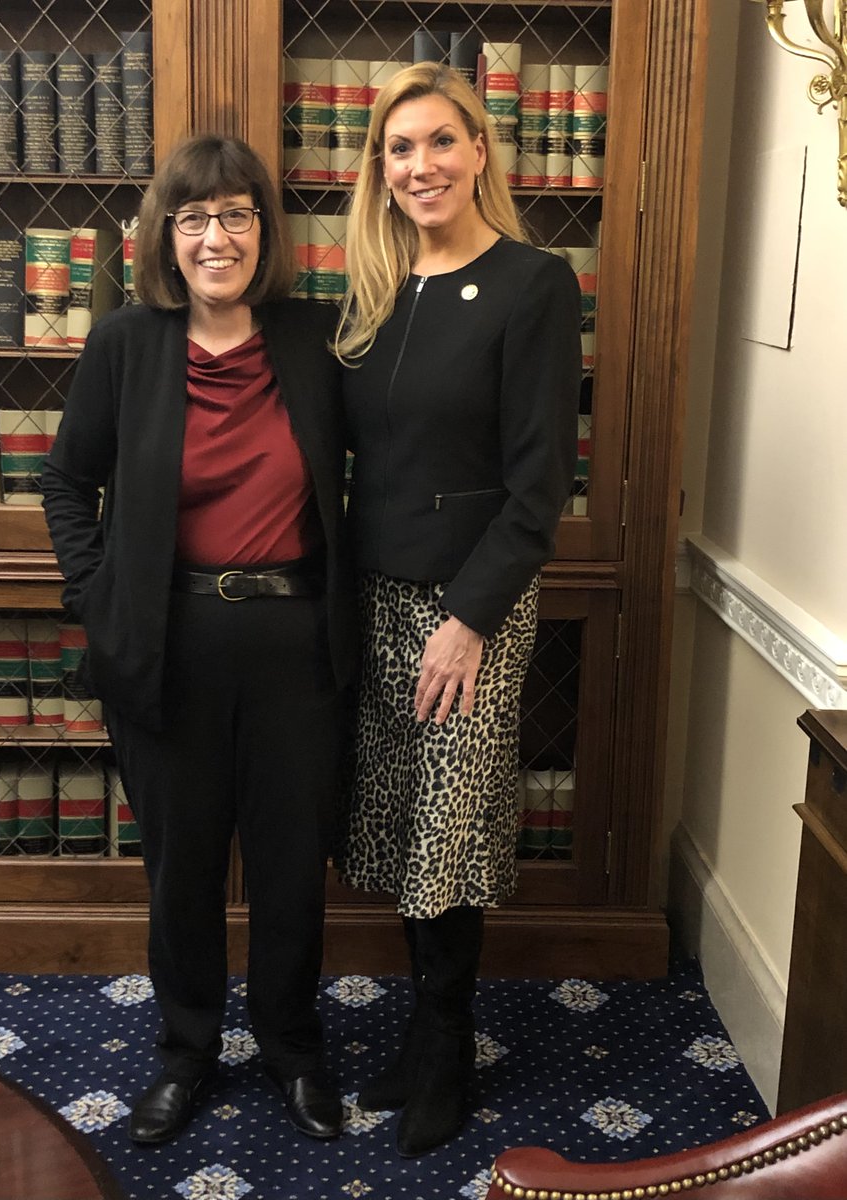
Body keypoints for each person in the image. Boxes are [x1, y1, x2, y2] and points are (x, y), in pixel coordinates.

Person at [41, 134, 356, 1146]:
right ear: (163, 238)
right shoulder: (127, 344)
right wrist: (100, 597)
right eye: (193, 218)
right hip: (166, 644)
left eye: (236, 215)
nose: (215, 237)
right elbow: (66, 483)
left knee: (288, 866)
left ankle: (292, 1048)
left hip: (296, 644)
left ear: (265, 231)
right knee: (180, 870)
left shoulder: (317, 341)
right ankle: (185, 1053)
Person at [334, 63, 582, 1158]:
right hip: (380, 601)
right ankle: (423, 1038)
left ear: (481, 149)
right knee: (400, 825)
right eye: (399, 149)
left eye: (440, 141)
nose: (420, 166)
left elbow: (540, 492)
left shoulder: (534, 283)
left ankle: (447, 1049)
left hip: (472, 608)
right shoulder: (377, 292)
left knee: (448, 832)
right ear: (379, 173)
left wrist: (470, 616)